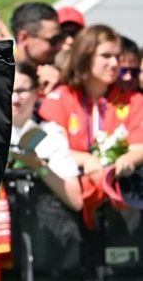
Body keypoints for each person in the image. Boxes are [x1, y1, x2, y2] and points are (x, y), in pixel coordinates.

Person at [39, 25, 143, 228]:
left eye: (117, 56)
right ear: (85, 56)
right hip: (65, 210)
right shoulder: (59, 98)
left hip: (120, 211)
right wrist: (85, 159)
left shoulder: (134, 100)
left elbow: (139, 145)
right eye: (105, 56)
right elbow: (46, 147)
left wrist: (127, 160)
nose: (114, 63)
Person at [9, 62, 82, 210]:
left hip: (39, 228)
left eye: (22, 91)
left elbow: (76, 200)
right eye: (9, 90)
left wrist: (39, 167)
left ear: (37, 92)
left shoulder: (50, 134)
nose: (15, 99)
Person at [9, 1, 63, 95]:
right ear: (24, 38)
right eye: (53, 40)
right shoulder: (8, 82)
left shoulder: (60, 71)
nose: (59, 46)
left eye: (61, 38)